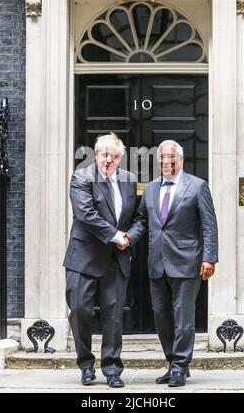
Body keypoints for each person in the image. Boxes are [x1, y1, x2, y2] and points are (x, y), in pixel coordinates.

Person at [120, 140, 218, 387]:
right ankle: (173, 362)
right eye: (162, 157)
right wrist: (130, 236)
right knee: (162, 317)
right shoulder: (151, 189)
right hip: (157, 263)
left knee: (183, 318)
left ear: (181, 159)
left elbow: (209, 224)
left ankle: (180, 366)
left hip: (187, 263)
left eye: (171, 157)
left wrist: (209, 257)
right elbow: (142, 220)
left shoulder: (197, 186)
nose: (166, 161)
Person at [63, 133, 136, 388]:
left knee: (114, 317)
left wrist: (129, 237)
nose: (109, 160)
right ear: (95, 155)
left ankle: (112, 368)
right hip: (83, 258)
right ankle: (85, 364)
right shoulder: (81, 177)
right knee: (81, 311)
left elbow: (137, 218)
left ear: (120, 158)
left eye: (114, 156)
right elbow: (85, 214)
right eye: (105, 155)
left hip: (116, 260)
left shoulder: (129, 180)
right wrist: (116, 235)